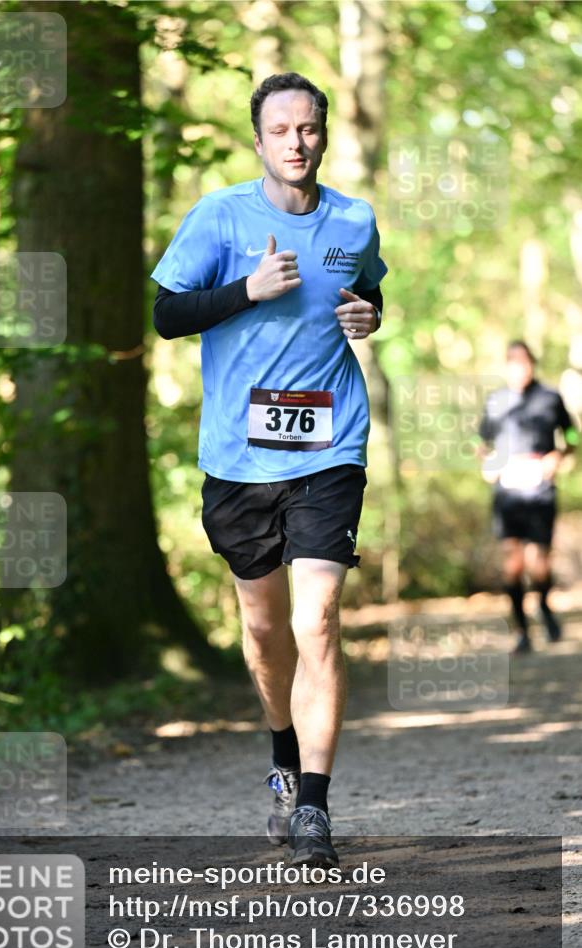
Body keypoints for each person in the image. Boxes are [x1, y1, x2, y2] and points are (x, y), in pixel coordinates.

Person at [151, 72, 387, 867]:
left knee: (315, 620)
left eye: (309, 128)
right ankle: (282, 757)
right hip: (239, 459)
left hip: (330, 448)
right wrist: (244, 291)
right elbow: (166, 314)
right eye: (281, 129)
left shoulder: (353, 221)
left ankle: (314, 807)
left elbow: (369, 292)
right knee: (263, 629)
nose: (296, 141)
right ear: (258, 141)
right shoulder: (220, 217)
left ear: (324, 135)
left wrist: (368, 314)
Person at [478, 341, 577, 654]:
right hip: (507, 491)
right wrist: (487, 462)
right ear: (506, 366)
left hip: (540, 489)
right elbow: (478, 438)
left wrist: (558, 456)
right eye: (513, 362)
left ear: (533, 363)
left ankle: (545, 607)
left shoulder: (550, 398)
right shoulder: (496, 401)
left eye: (524, 362)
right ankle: (521, 629)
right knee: (513, 563)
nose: (519, 368)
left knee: (539, 562)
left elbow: (572, 434)